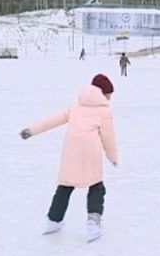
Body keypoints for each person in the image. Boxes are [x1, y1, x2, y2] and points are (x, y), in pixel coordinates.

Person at [20, 74, 119, 242]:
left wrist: (32, 130)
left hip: (71, 151)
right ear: (103, 93)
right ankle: (93, 223)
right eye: (109, 94)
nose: (110, 98)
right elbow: (108, 138)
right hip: (90, 152)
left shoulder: (76, 106)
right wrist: (113, 157)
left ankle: (53, 220)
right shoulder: (104, 111)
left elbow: (53, 120)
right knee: (96, 186)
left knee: (65, 186)